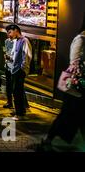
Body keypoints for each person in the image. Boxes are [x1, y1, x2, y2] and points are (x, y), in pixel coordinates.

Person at [38, 16, 85, 151]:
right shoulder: (80, 39)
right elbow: (74, 62)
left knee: (79, 116)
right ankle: (48, 139)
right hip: (75, 86)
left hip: (80, 87)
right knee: (66, 115)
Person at [5, 24, 32, 120]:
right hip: (15, 70)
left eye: (10, 32)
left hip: (19, 70)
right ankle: (19, 111)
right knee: (16, 91)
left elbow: (27, 56)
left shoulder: (24, 41)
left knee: (18, 92)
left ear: (16, 30)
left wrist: (22, 69)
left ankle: (20, 113)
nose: (9, 35)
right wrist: (10, 58)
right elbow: (15, 56)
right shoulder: (17, 41)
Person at [3, 36, 16, 109]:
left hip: (14, 67)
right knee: (8, 85)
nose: (8, 34)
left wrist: (10, 58)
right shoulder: (6, 41)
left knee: (15, 86)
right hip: (7, 65)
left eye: (10, 32)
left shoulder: (17, 42)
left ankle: (20, 104)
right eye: (7, 33)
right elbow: (5, 50)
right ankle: (9, 102)